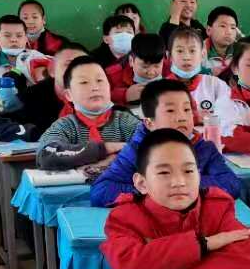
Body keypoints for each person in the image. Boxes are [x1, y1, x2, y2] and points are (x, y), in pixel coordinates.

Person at [101, 127, 250, 269]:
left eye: (188, 171)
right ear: (142, 183)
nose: (179, 182)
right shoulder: (125, 217)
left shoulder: (215, 207)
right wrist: (204, 244)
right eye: (164, 172)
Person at [90, 79, 241, 207]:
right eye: (170, 111)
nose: (182, 117)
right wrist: (155, 190)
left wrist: (186, 185)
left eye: (186, 109)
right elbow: (101, 191)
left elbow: (231, 184)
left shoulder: (204, 148)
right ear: (149, 123)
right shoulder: (136, 150)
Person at [36, 55, 142, 166]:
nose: (95, 88)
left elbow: (149, 146)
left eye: (100, 80)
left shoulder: (124, 121)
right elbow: (46, 154)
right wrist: (104, 149)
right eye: (84, 82)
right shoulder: (66, 126)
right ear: (69, 95)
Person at [164, 26, 233, 133]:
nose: (186, 57)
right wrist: (195, 118)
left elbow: (228, 120)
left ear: (202, 54)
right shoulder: (159, 89)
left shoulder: (216, 85)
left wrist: (206, 120)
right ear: (169, 56)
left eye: (192, 51)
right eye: (180, 51)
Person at [0, 14, 40, 86]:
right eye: (7, 35)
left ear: (26, 39)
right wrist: (4, 81)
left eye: (19, 36)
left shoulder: (35, 56)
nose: (14, 40)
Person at [106, 32, 168, 105]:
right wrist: (125, 95)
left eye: (156, 66)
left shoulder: (170, 68)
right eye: (145, 66)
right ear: (131, 61)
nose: (151, 72)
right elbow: (102, 95)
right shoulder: (112, 75)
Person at [204, 6, 241, 77]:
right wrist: (208, 71)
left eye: (233, 27)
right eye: (223, 26)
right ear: (209, 30)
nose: (229, 32)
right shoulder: (198, 50)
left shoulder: (241, 51)